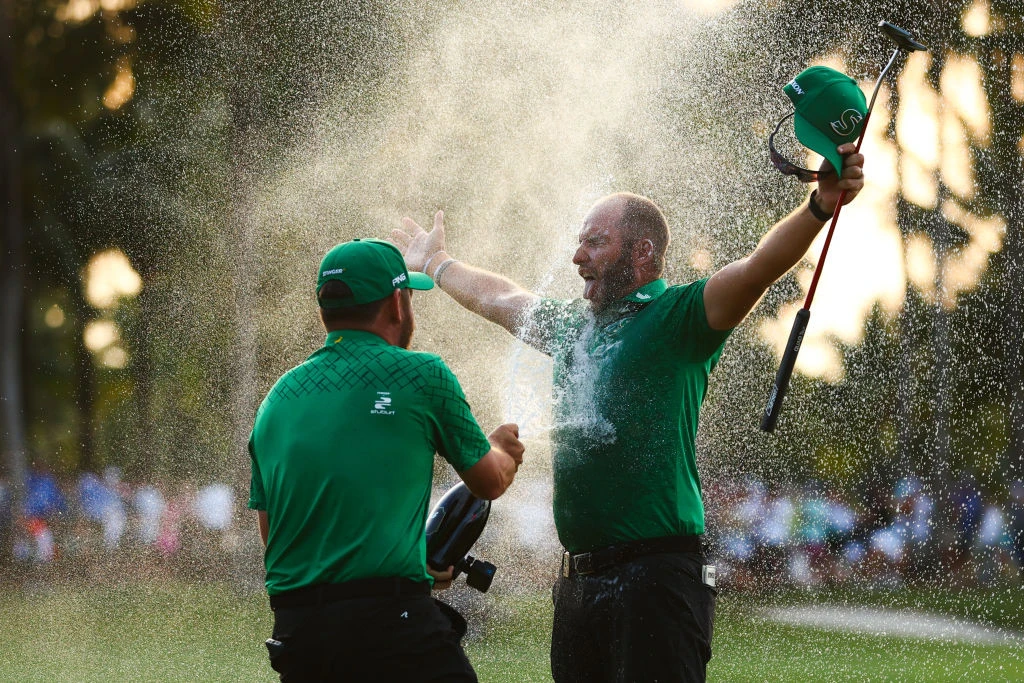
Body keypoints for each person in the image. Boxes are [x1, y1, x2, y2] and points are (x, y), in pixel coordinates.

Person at [390, 75, 866, 682]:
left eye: (595, 242)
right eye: (578, 242)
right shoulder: (573, 327)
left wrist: (819, 206)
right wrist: (435, 262)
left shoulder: (680, 318)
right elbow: (499, 296)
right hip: (580, 580)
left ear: (642, 253)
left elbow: (758, 268)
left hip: (659, 575)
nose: (577, 256)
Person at [248, 238, 525, 682]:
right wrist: (502, 448)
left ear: (326, 311)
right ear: (397, 303)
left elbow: (274, 531)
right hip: (392, 626)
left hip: (299, 635)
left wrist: (410, 559)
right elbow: (489, 482)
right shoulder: (421, 374)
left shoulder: (276, 400)